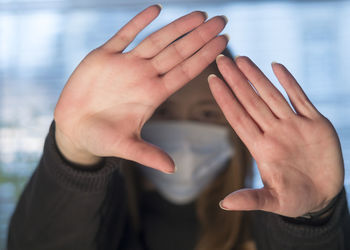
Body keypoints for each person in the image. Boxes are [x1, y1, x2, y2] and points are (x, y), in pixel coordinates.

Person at [6, 4, 350, 250]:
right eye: (165, 111)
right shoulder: (95, 221)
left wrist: (312, 220)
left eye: (206, 115)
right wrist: (74, 153)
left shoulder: (272, 227)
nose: (184, 133)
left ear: (236, 129)